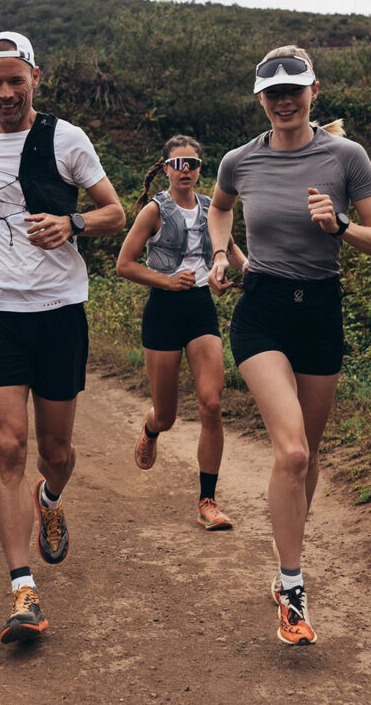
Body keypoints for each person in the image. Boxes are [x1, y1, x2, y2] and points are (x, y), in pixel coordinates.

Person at [207, 46, 371, 646]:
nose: (284, 100)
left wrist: (339, 225)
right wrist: (220, 253)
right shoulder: (240, 160)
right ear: (259, 98)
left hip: (320, 311)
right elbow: (219, 207)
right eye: (273, 91)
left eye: (295, 88)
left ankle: (286, 554)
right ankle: (292, 589)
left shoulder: (346, 157)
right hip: (260, 310)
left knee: (307, 458)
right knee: (290, 453)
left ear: (314, 90)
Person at [0, 31, 125, 644]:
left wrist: (72, 222)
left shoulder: (65, 138)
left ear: (35, 79)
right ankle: (22, 587)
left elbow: (114, 212)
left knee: (57, 451)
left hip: (57, 312)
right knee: (8, 444)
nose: (4, 92)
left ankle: (50, 498)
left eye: (14, 79)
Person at [116, 135, 246, 531]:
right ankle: (151, 427)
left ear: (200, 168)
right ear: (166, 167)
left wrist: (244, 272)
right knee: (168, 415)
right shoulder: (155, 210)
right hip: (164, 310)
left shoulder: (212, 208)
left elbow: (232, 251)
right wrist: (166, 281)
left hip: (200, 308)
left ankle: (207, 500)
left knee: (211, 404)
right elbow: (125, 264)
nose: (184, 170)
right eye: (177, 163)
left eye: (191, 163)